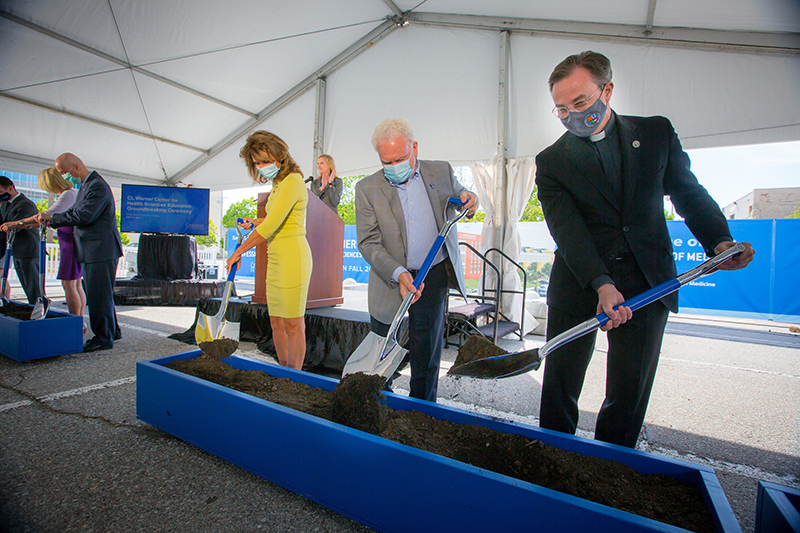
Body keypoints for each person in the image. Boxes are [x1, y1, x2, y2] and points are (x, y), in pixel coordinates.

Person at [535, 51, 755, 447]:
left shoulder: (654, 134)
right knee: (560, 383)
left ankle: (612, 466)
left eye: (580, 102)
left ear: (608, 90)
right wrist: (602, 283)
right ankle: (552, 461)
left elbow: (688, 193)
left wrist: (718, 241)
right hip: (580, 278)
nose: (571, 115)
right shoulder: (552, 161)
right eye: (561, 109)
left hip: (647, 279)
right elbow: (568, 231)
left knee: (629, 390)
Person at [355, 118, 478, 402]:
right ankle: (379, 404)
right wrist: (398, 273)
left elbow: (463, 198)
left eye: (400, 158)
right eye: (386, 162)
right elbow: (368, 242)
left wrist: (471, 201)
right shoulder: (367, 189)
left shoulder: (441, 170)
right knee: (383, 347)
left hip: (432, 274)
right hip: (391, 278)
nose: (393, 166)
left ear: (415, 148)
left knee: (428, 348)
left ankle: (423, 409)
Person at [226, 131, 313, 370]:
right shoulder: (278, 183)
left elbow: (273, 225)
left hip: (293, 257)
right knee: (276, 322)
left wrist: (238, 251)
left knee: (293, 323)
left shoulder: (293, 180)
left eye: (264, 161)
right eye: (256, 163)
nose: (261, 166)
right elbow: (272, 220)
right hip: (276, 257)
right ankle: (283, 370)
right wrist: (254, 222)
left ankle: (294, 378)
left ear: (279, 155)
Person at [36, 153, 123, 352]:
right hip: (95, 248)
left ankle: (103, 338)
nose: (64, 177)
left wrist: (53, 218)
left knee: (98, 296)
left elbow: (84, 215)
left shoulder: (96, 186)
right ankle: (112, 331)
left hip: (100, 249)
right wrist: (52, 218)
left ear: (76, 167)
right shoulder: (86, 186)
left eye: (65, 172)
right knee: (103, 294)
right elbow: (74, 212)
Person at [2, 168, 87, 329]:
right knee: (75, 285)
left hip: (70, 244)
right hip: (71, 242)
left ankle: (75, 323)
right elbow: (46, 219)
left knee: (69, 285)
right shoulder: (72, 194)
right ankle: (79, 322)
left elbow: (44, 216)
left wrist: (17, 224)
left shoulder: (68, 194)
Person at [0, 176, 41, 305]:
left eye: (1, 192)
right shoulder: (5, 204)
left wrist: (9, 226)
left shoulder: (26, 204)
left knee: (32, 285)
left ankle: (37, 310)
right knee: (25, 283)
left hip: (28, 250)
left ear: (10, 188)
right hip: (16, 250)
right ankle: (32, 307)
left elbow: (18, 225)